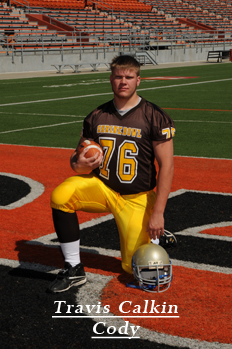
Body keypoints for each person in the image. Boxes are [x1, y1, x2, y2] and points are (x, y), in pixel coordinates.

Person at [47, 55, 176, 294]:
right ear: (111, 79)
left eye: (129, 77)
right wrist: (81, 163)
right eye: (118, 77)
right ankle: (73, 268)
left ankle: (155, 234)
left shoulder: (154, 116)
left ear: (139, 80)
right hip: (104, 188)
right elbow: (76, 164)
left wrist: (158, 213)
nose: (123, 82)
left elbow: (166, 166)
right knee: (62, 194)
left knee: (133, 267)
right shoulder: (97, 115)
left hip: (136, 197)